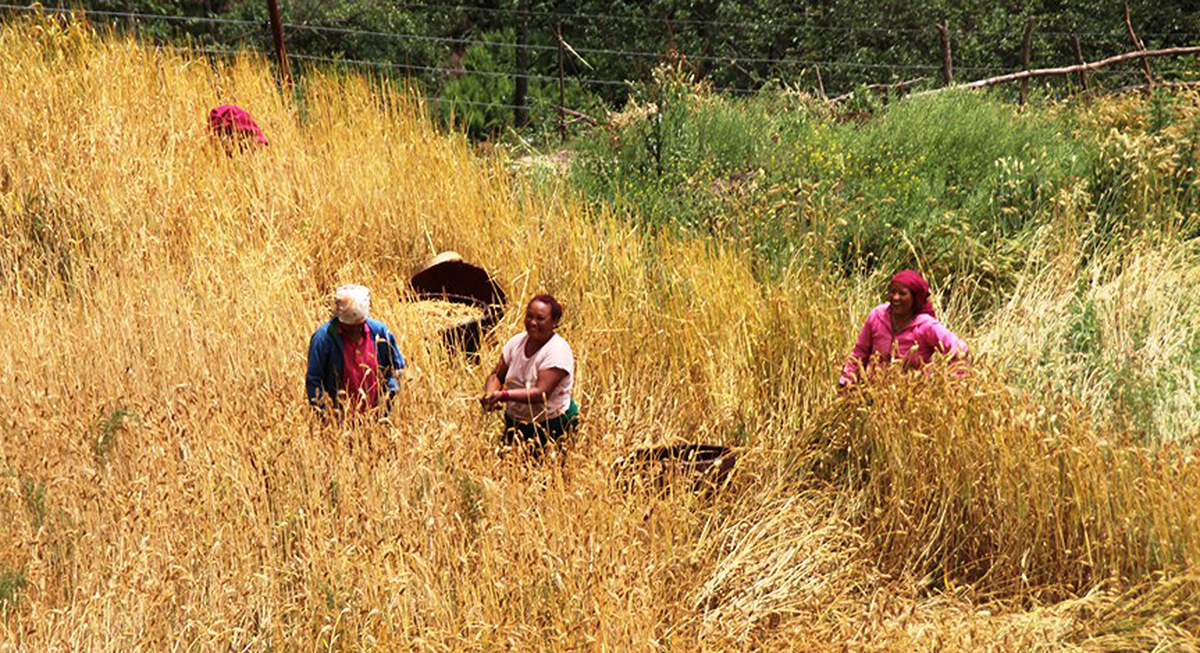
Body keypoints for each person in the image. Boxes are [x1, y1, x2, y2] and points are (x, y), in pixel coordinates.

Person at [480, 294, 579, 449]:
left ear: (554, 322)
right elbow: (497, 375)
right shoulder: (516, 342)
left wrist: (504, 396)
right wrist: (490, 394)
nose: (533, 322)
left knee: (548, 470)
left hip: (550, 426)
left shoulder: (557, 351)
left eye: (540, 319)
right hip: (517, 424)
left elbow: (541, 394)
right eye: (529, 316)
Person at [839, 270, 967, 388]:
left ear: (914, 298)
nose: (895, 298)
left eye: (902, 294)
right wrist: (846, 382)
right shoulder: (877, 316)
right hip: (874, 395)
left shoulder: (926, 326)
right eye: (892, 292)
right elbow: (860, 353)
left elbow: (960, 350)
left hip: (911, 402)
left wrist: (953, 386)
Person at [306, 284, 405, 414]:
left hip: (377, 416)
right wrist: (324, 415)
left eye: (359, 325)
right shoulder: (324, 338)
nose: (354, 330)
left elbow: (396, 367)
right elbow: (314, 380)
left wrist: (388, 397)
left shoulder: (379, 332)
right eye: (349, 326)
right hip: (340, 419)